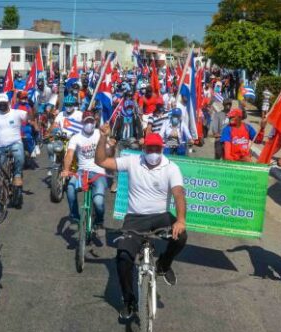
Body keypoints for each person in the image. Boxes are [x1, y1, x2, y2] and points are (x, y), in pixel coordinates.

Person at [95, 128, 187, 320]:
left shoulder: (171, 167)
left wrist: (180, 220)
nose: (153, 152)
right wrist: (102, 138)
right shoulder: (132, 161)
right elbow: (101, 161)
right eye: (150, 148)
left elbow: (179, 194)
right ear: (144, 148)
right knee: (123, 258)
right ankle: (129, 301)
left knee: (181, 237)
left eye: (157, 149)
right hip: (135, 218)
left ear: (162, 149)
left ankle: (163, 264)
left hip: (161, 216)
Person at [61, 112, 107, 229]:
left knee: (98, 202)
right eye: (86, 121)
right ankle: (75, 216)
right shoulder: (76, 137)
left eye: (91, 121)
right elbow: (69, 154)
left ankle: (99, 222)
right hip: (82, 173)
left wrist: (110, 142)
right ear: (82, 123)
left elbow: (110, 150)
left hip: (99, 173)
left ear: (95, 122)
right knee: (70, 188)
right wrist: (66, 170)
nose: (89, 124)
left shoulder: (99, 133)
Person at [0, 94, 27, 208]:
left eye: (4, 103)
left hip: (15, 144)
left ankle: (17, 177)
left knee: (18, 159)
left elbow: (30, 117)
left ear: (8, 103)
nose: (2, 106)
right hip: (0, 146)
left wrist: (31, 107)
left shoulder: (17, 113)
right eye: (0, 104)